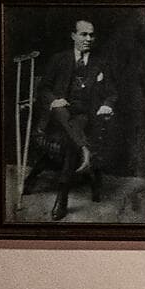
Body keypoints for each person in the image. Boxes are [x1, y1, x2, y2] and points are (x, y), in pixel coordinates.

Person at [34, 18, 116, 221]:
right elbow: (43, 89)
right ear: (73, 35)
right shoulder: (58, 59)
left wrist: (107, 104)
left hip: (85, 116)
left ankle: (62, 198)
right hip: (59, 115)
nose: (88, 38)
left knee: (73, 135)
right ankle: (85, 150)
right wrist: (54, 100)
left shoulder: (101, 62)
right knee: (64, 116)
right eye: (83, 34)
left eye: (91, 35)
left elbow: (112, 92)